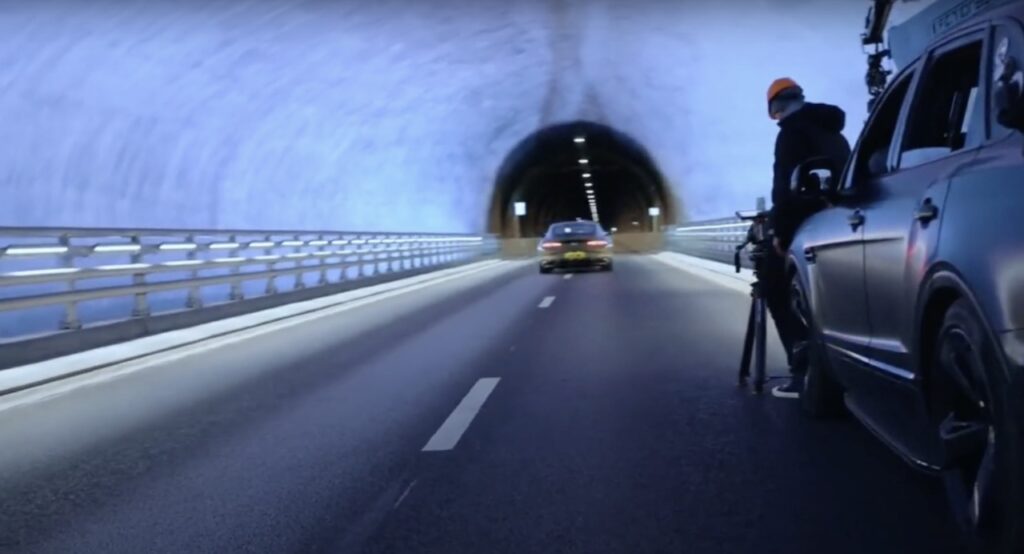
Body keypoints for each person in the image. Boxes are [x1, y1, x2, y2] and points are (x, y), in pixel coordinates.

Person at [762, 77, 851, 399]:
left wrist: (779, 233)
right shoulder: (832, 130)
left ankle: (803, 371)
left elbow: (785, 187)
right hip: (837, 220)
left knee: (774, 287)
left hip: (805, 224)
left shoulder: (791, 134)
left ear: (776, 107)